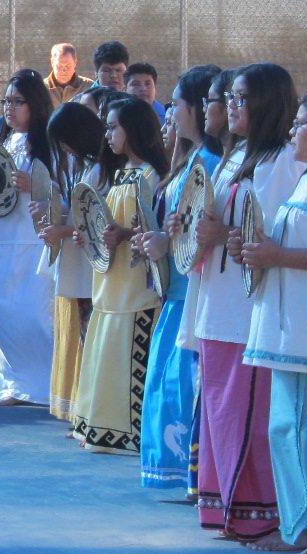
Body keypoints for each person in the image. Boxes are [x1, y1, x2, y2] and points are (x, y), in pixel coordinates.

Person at [178, 63, 301, 542]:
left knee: (249, 417)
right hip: (216, 306)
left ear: (268, 102)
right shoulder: (232, 157)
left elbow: (277, 236)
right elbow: (209, 221)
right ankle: (227, 509)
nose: (232, 105)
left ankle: (261, 514)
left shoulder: (283, 160)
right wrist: (188, 232)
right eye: (229, 97)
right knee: (219, 413)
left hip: (251, 311)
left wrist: (221, 233)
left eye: (242, 97)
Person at [238, 87, 307, 554]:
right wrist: (256, 252)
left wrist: (276, 255)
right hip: (285, 335)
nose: (293, 131)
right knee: (284, 431)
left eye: (302, 124)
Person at [133, 65, 222, 491]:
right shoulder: (189, 160)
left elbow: (199, 231)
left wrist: (167, 244)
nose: (171, 111)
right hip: (177, 293)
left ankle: (196, 477)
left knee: (182, 385)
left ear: (199, 108)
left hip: (196, 293)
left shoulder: (212, 163)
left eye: (178, 103)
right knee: (167, 383)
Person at [70, 96, 168, 452]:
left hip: (137, 290)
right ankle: (97, 424)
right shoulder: (120, 174)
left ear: (135, 129)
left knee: (129, 359)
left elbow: (155, 230)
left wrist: (123, 236)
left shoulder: (154, 176)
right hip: (109, 285)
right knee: (105, 355)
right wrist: (92, 237)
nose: (107, 134)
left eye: (113, 127)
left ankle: (129, 433)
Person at [0, 70, 54, 406]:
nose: (10, 107)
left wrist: (35, 185)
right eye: (6, 101)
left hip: (37, 241)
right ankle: (14, 386)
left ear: (34, 104)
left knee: (37, 315)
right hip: (4, 239)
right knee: (6, 314)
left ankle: (47, 387)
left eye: (18, 101)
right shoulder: (3, 143)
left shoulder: (50, 145)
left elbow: (69, 192)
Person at [37, 102, 107, 428]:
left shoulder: (100, 169)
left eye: (65, 139)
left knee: (91, 340)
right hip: (78, 264)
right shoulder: (83, 166)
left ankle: (92, 413)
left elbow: (101, 220)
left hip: (92, 267)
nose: (63, 148)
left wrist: (63, 228)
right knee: (83, 338)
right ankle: (85, 412)